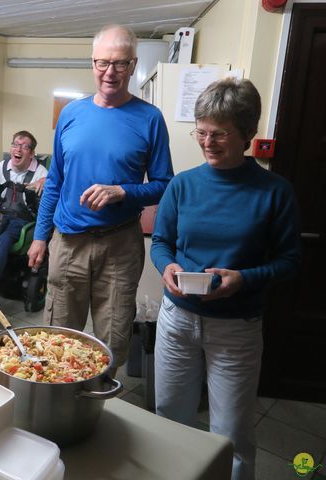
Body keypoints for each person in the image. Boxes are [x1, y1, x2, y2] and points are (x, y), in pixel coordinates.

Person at [150, 78, 301, 480]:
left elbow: (289, 261)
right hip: (177, 320)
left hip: (237, 328)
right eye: (200, 133)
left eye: (219, 134)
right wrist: (167, 267)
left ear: (248, 133)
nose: (207, 143)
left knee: (231, 433)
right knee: (169, 418)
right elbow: (161, 242)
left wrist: (244, 278)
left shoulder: (275, 192)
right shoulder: (183, 185)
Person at [28, 24, 173, 373]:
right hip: (68, 243)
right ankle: (59, 412)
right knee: (58, 339)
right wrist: (39, 236)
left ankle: (98, 409)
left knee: (111, 342)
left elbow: (164, 184)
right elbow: (55, 182)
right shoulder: (71, 114)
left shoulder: (149, 118)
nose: (110, 72)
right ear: (92, 63)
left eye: (120, 64)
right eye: (102, 63)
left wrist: (122, 191)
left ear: (133, 64)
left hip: (119, 245)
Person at [0, 130, 48, 302]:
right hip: (1, 215)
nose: (18, 149)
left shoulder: (41, 173)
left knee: (4, 239)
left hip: (24, 219)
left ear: (31, 153)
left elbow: (48, 201)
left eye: (24, 147)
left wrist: (46, 182)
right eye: (15, 144)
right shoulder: (2, 167)